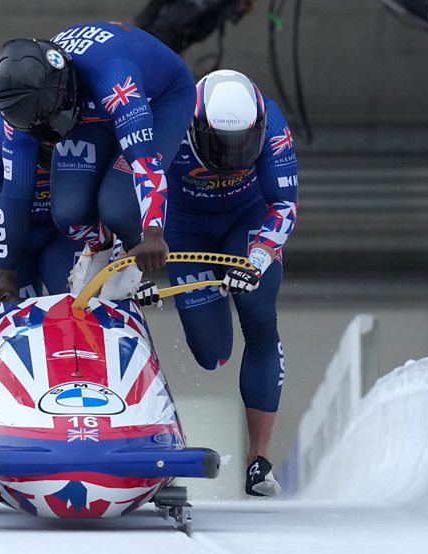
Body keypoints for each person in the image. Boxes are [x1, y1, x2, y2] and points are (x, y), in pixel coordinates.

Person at [144, 69, 298, 496]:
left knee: (259, 316)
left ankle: (259, 461)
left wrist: (258, 258)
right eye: (221, 145)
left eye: (242, 145)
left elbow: (283, 205)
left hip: (246, 224)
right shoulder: (168, 123)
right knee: (213, 353)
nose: (231, 155)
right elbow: (139, 188)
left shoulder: (275, 129)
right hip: (187, 230)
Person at [0, 21, 195, 305]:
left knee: (119, 207)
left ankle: (128, 249)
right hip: (87, 110)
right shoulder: (24, 110)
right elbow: (15, 193)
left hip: (159, 100)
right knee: (69, 213)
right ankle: (101, 246)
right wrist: (6, 273)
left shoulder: (114, 77)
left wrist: (152, 234)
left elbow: (145, 162)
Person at [0, 112, 84, 299]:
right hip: (3, 241)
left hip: (61, 235)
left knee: (80, 305)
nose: (51, 152)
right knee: (11, 310)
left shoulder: (86, 127)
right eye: (46, 145)